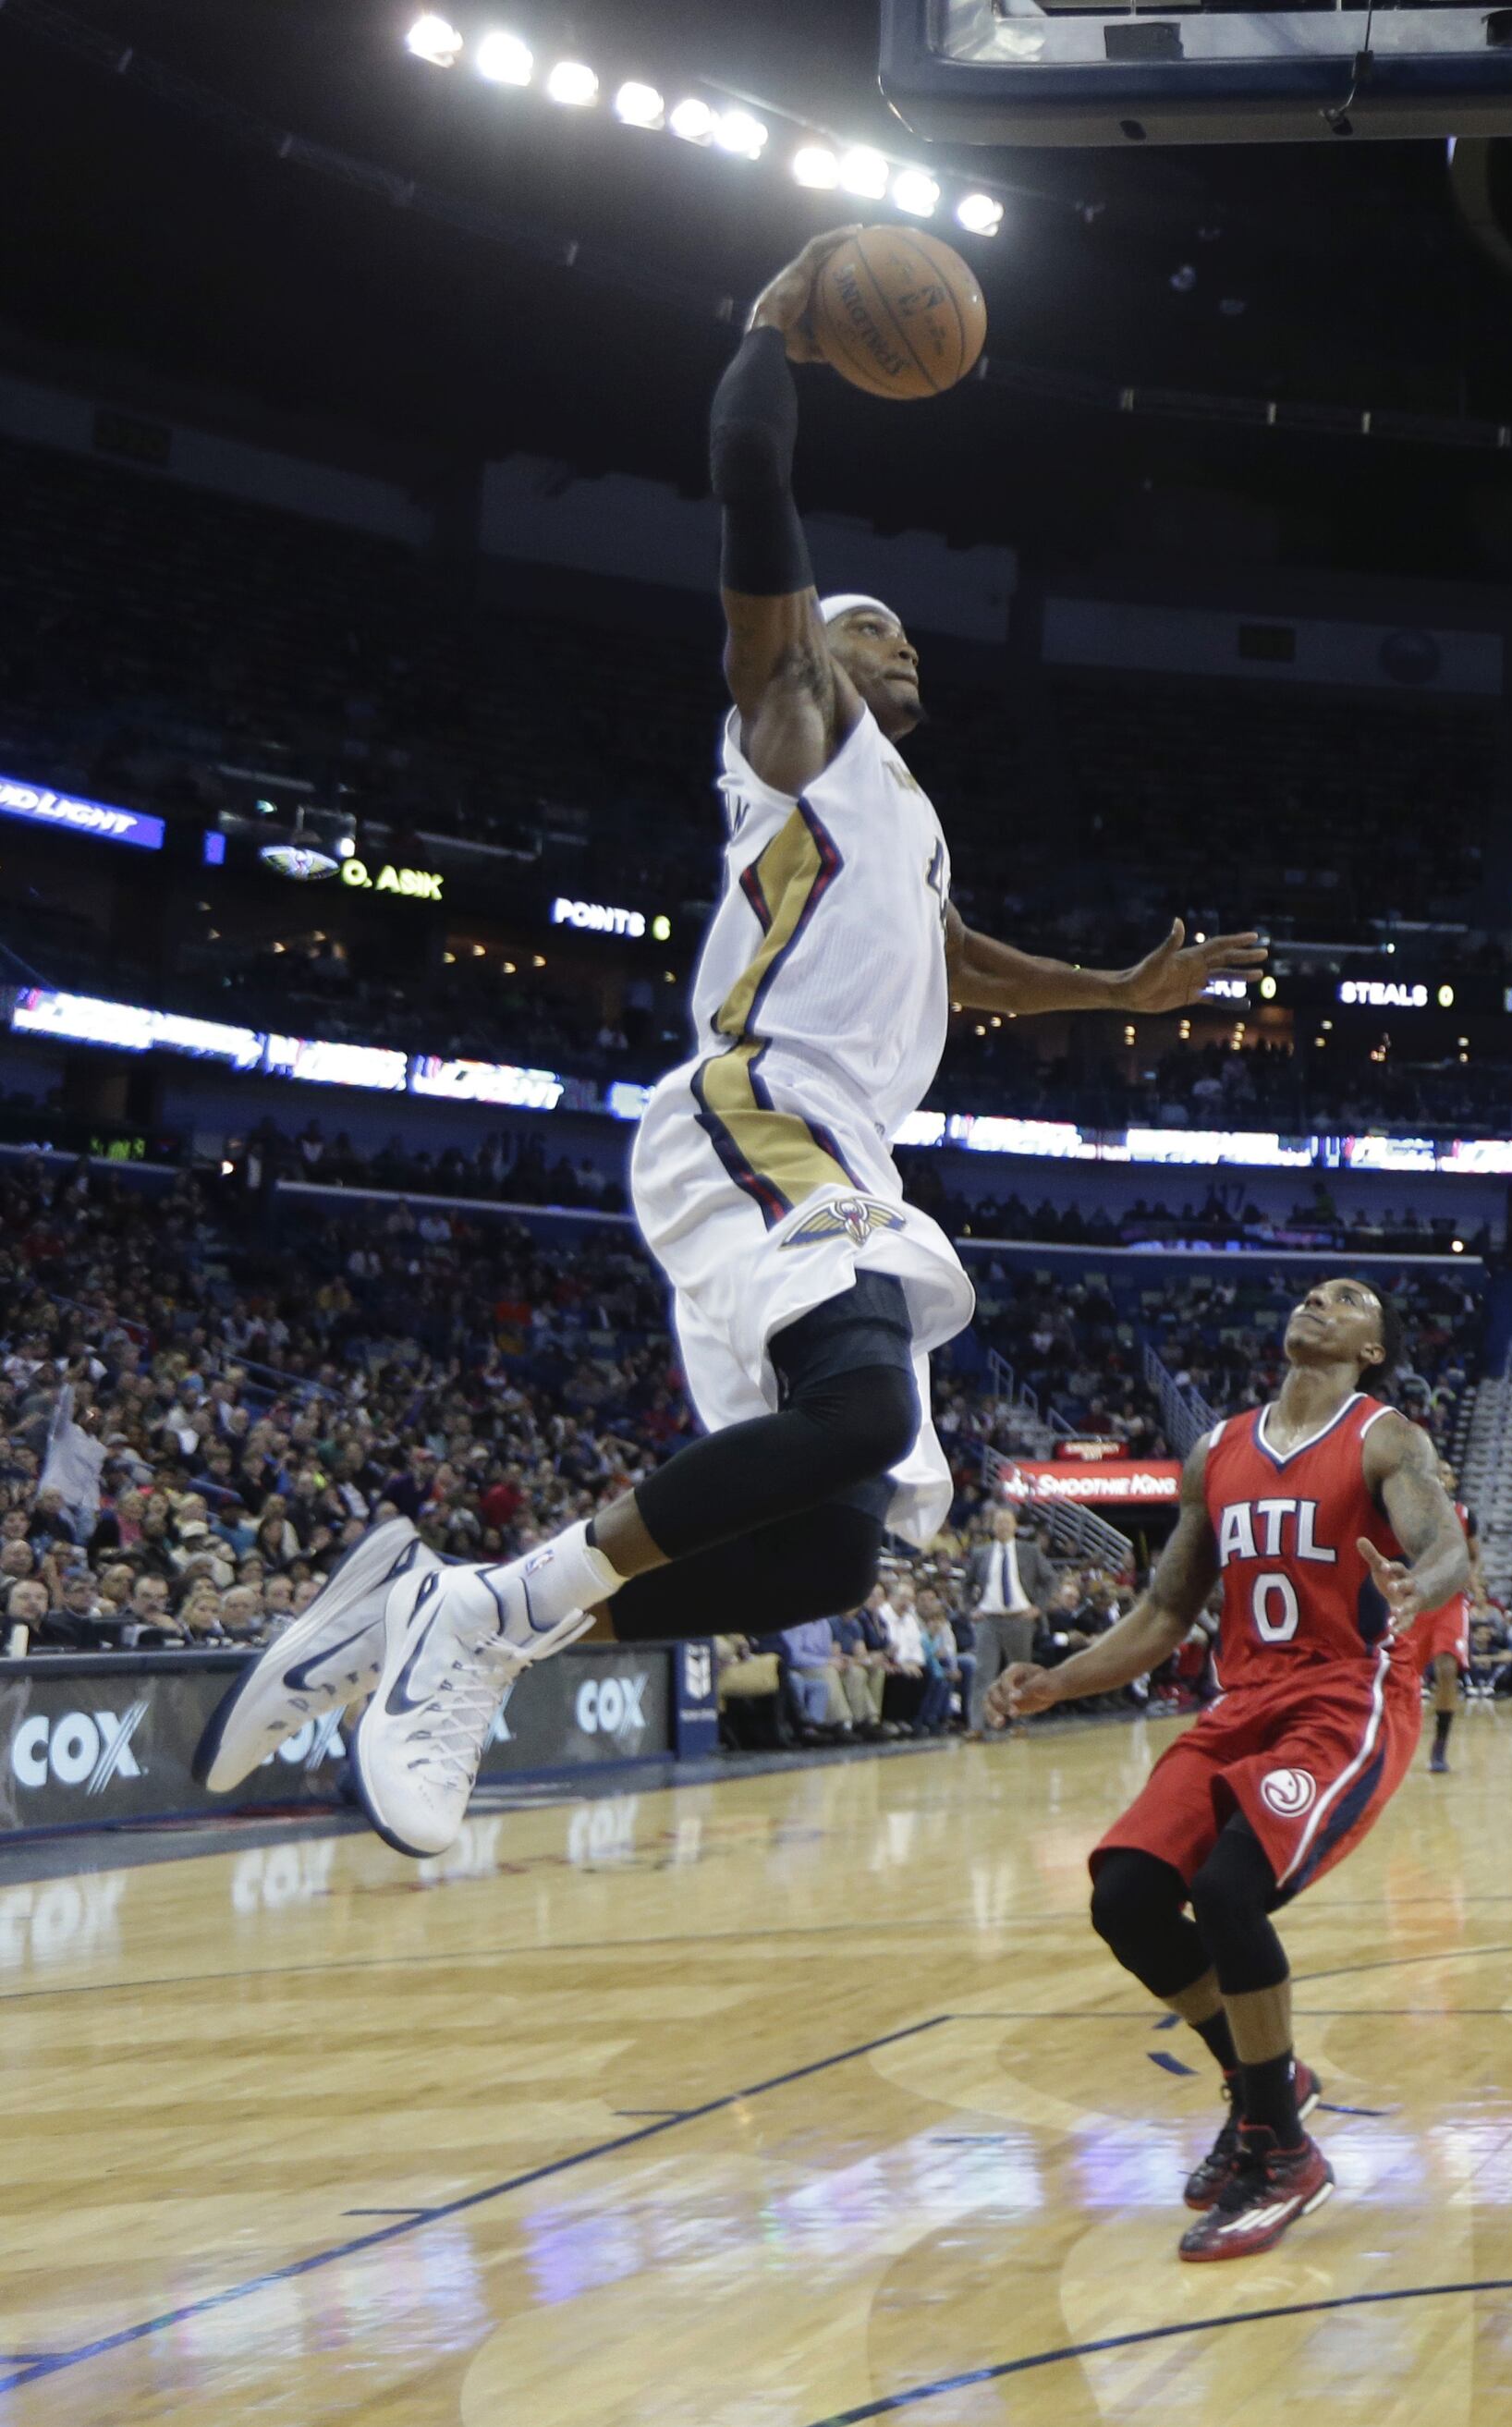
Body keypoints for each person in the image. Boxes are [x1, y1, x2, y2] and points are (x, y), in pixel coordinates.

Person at [189, 228, 1264, 1849]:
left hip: (838, 1139)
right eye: (873, 620)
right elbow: (753, 484)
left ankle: (441, 1613)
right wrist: (772, 326)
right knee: (863, 1420)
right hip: (762, 1105)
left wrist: (1115, 995)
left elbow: (962, 963)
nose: (904, 640)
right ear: (815, 649)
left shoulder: (905, 816)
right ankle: (484, 1613)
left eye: (906, 634)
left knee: (828, 1551)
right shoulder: (793, 725)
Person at [992, 1276, 1469, 2262]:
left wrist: (1413, 1584)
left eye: (1346, 1297)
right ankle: (1265, 2084)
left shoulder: (1386, 1438)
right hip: (1239, 1702)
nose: (1317, 1300)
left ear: (1372, 1348)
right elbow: (1167, 1612)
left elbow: (1448, 1550)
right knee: (1123, 1896)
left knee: (1226, 1891)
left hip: (1347, 1701)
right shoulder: (1218, 1450)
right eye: (1311, 1291)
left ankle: (1281, 2152)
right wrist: (1062, 1681)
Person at [964, 1506, 1055, 1740]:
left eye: (1007, 1522)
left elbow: (1050, 1579)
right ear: (992, 1526)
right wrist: (969, 1609)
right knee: (983, 1672)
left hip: (1019, 1619)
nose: (1003, 1526)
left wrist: (1038, 1607)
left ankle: (1021, 1721)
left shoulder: (1030, 1551)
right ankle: (977, 1725)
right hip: (989, 1619)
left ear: (1015, 1526)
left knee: (1020, 1675)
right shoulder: (980, 1553)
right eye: (999, 1522)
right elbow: (966, 1584)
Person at [1414, 1457, 1474, 1775]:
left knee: (1446, 1667)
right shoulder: (1409, 1514)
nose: (1441, 1477)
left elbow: (1474, 1556)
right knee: (1398, 1675)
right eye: (1436, 1472)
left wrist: (1474, 1581)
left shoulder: (1464, 1515)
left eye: (1447, 1473)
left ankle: (1439, 1746)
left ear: (1452, 1482)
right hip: (1417, 1599)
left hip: (1451, 1601)